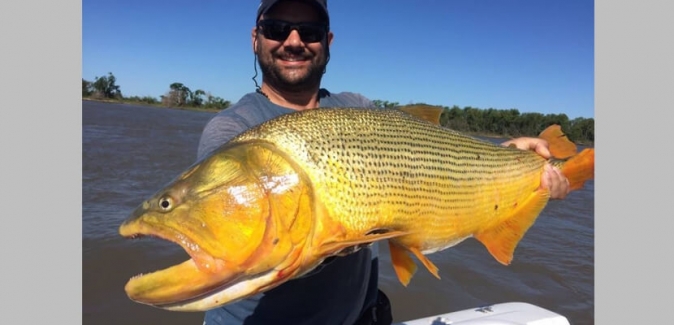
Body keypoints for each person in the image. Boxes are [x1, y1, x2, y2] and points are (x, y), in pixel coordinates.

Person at [196, 1, 571, 324]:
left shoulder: (357, 108)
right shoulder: (233, 130)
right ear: (255, 38)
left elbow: (433, 163)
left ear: (327, 43)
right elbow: (240, 246)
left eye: (309, 31)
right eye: (277, 28)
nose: (294, 41)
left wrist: (510, 159)